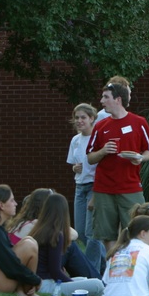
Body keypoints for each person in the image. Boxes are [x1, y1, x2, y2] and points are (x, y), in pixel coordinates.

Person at [87, 79, 149, 252]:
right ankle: (112, 269)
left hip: (130, 186)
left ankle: (134, 268)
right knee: (106, 234)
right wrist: (102, 151)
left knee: (137, 231)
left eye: (105, 97)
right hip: (104, 188)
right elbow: (90, 157)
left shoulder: (139, 122)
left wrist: (140, 157)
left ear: (118, 99)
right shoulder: (100, 126)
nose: (101, 101)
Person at [6, 188, 98, 279]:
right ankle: (95, 279)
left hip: (27, 264)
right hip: (34, 269)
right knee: (70, 246)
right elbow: (74, 234)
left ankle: (94, 279)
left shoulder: (20, 223)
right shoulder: (36, 224)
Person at [27, 192, 104, 296]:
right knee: (97, 284)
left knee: (84, 280)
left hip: (45, 282)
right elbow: (55, 272)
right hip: (48, 285)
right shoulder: (56, 234)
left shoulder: (39, 230)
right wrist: (71, 283)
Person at [66, 102, 106, 276]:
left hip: (94, 187)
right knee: (80, 232)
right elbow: (74, 163)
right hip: (79, 186)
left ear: (92, 119)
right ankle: (106, 265)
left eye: (83, 117)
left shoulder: (98, 138)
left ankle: (92, 273)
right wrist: (75, 168)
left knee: (92, 234)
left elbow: (103, 168)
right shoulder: (75, 140)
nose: (79, 121)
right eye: (77, 118)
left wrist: (96, 195)